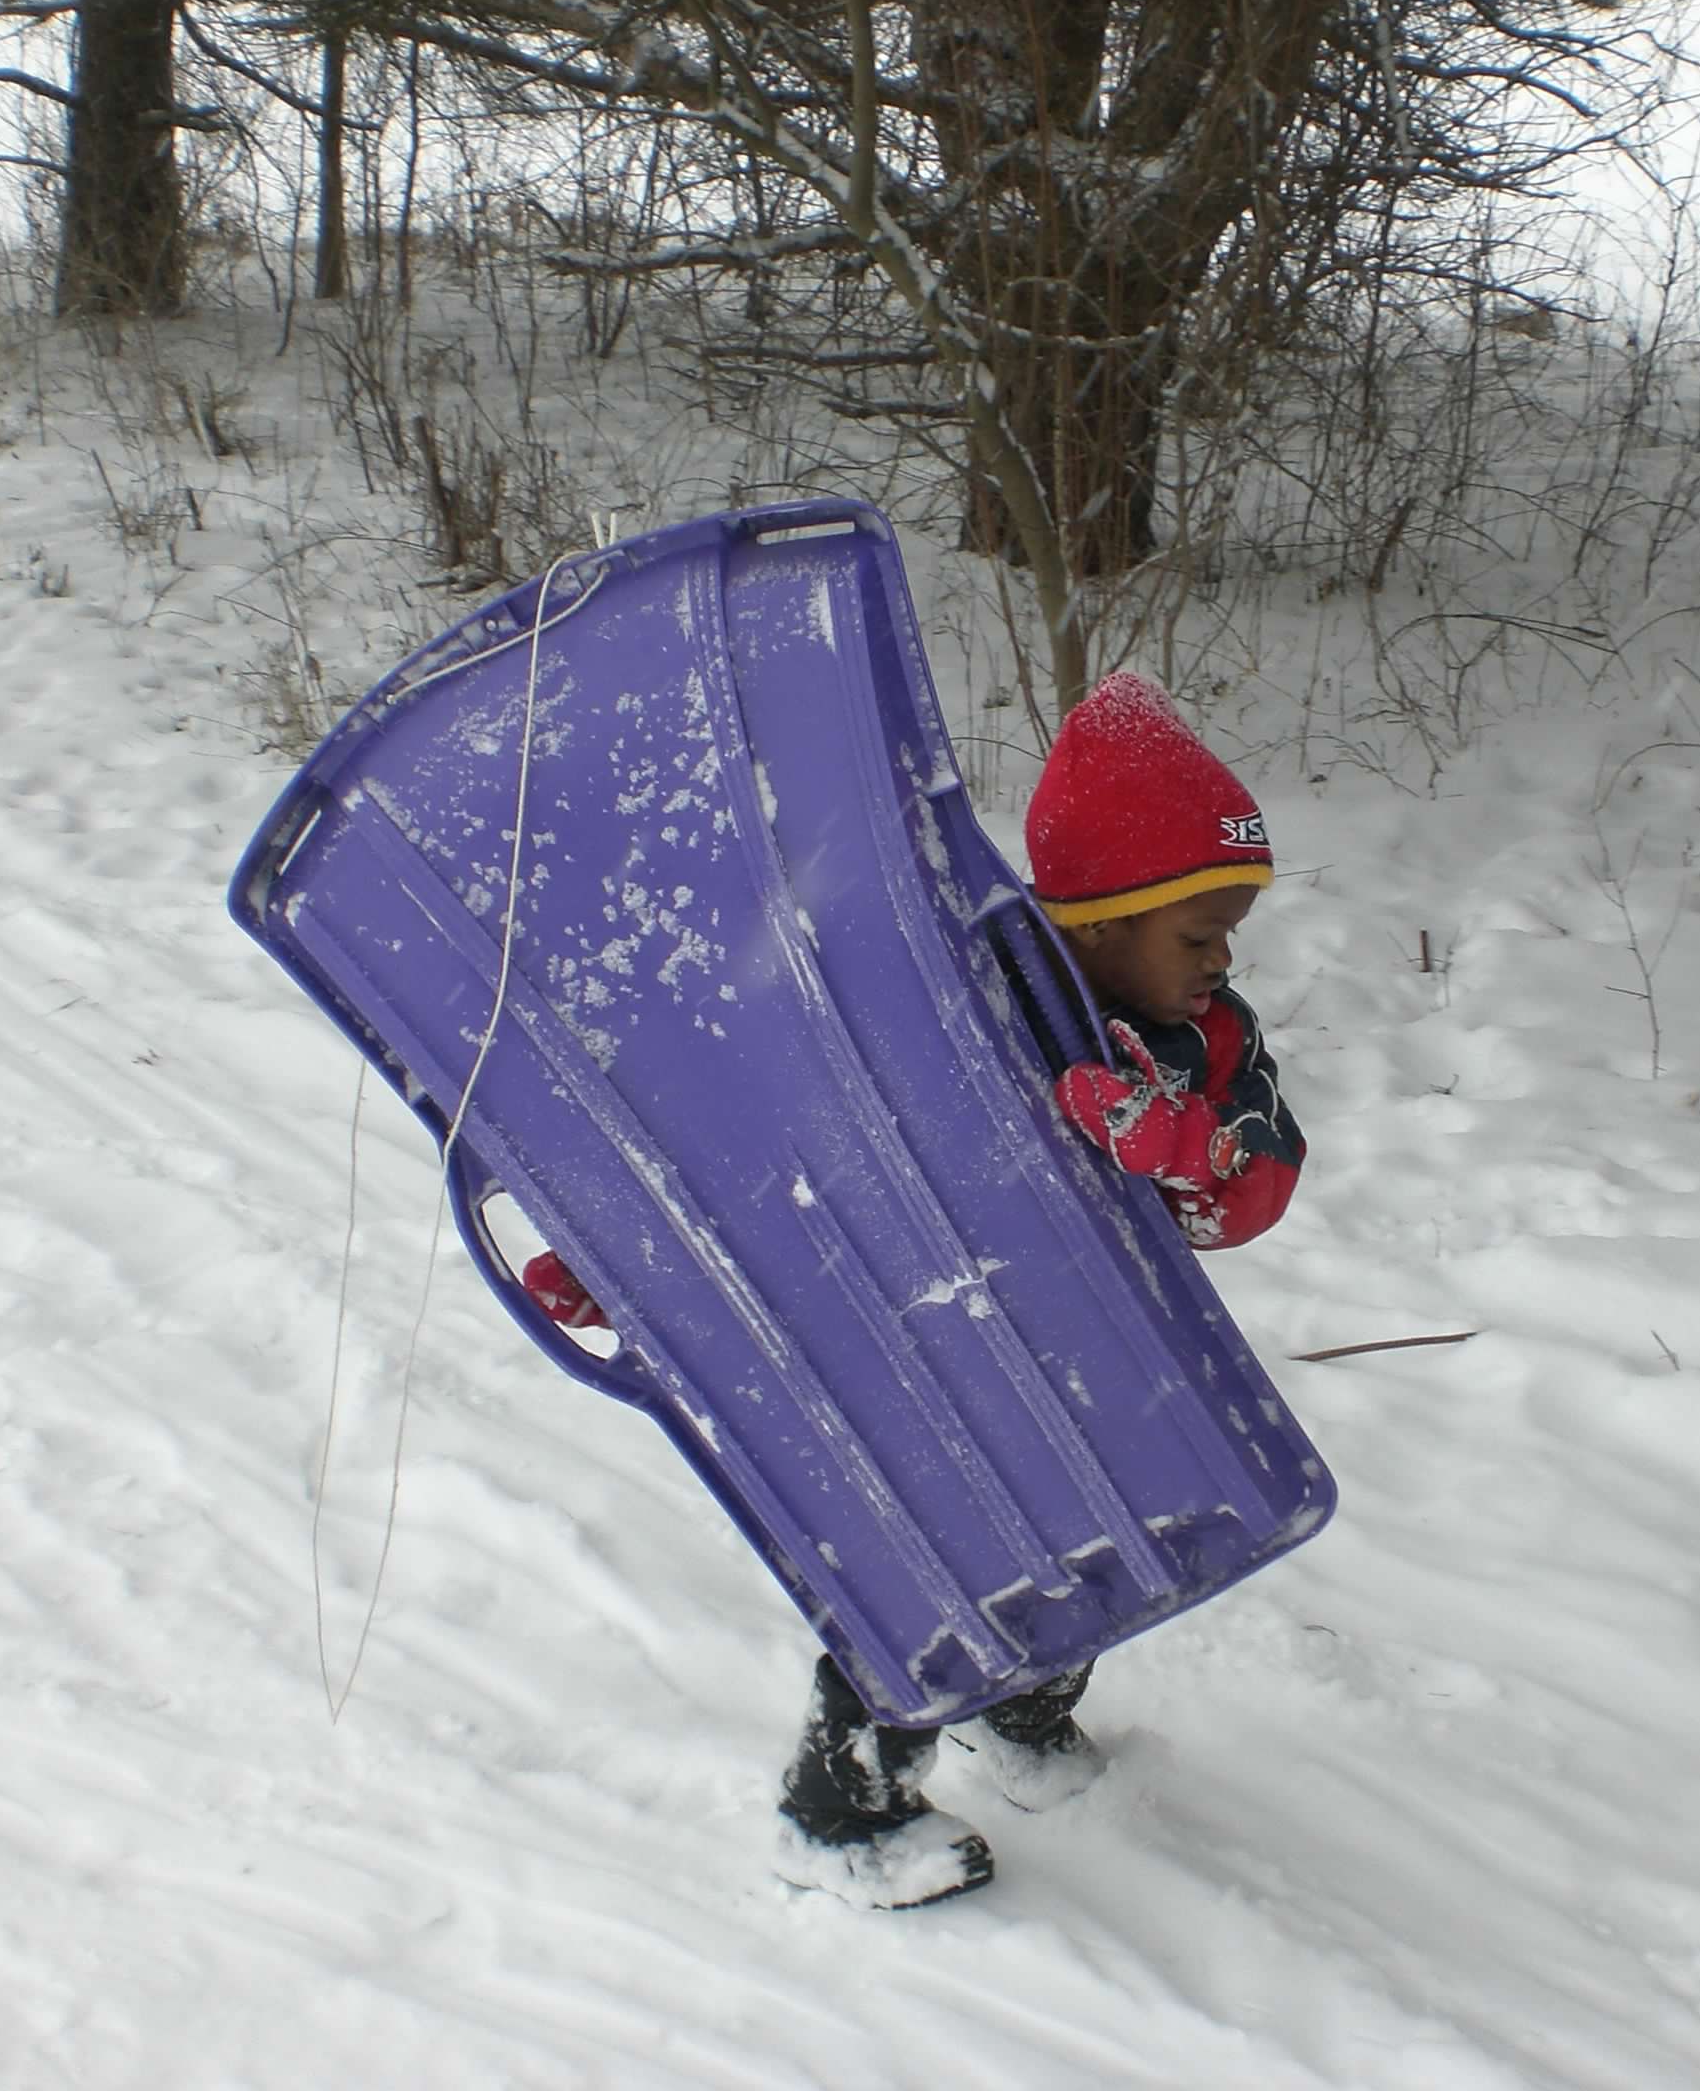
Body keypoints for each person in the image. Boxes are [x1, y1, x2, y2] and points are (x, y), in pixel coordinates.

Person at [521, 672, 1304, 1908]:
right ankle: (843, 1811)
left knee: (1104, 1530)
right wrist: (622, 1265)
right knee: (933, 1569)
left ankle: (1022, 1711)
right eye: (1197, 934)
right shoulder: (953, 995)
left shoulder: (1204, 1043)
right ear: (1100, 921)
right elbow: (776, 1135)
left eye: (1228, 934)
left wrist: (1185, 1151)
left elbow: (1256, 1183)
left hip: (1097, 1343)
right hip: (924, 1338)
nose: (1221, 961)